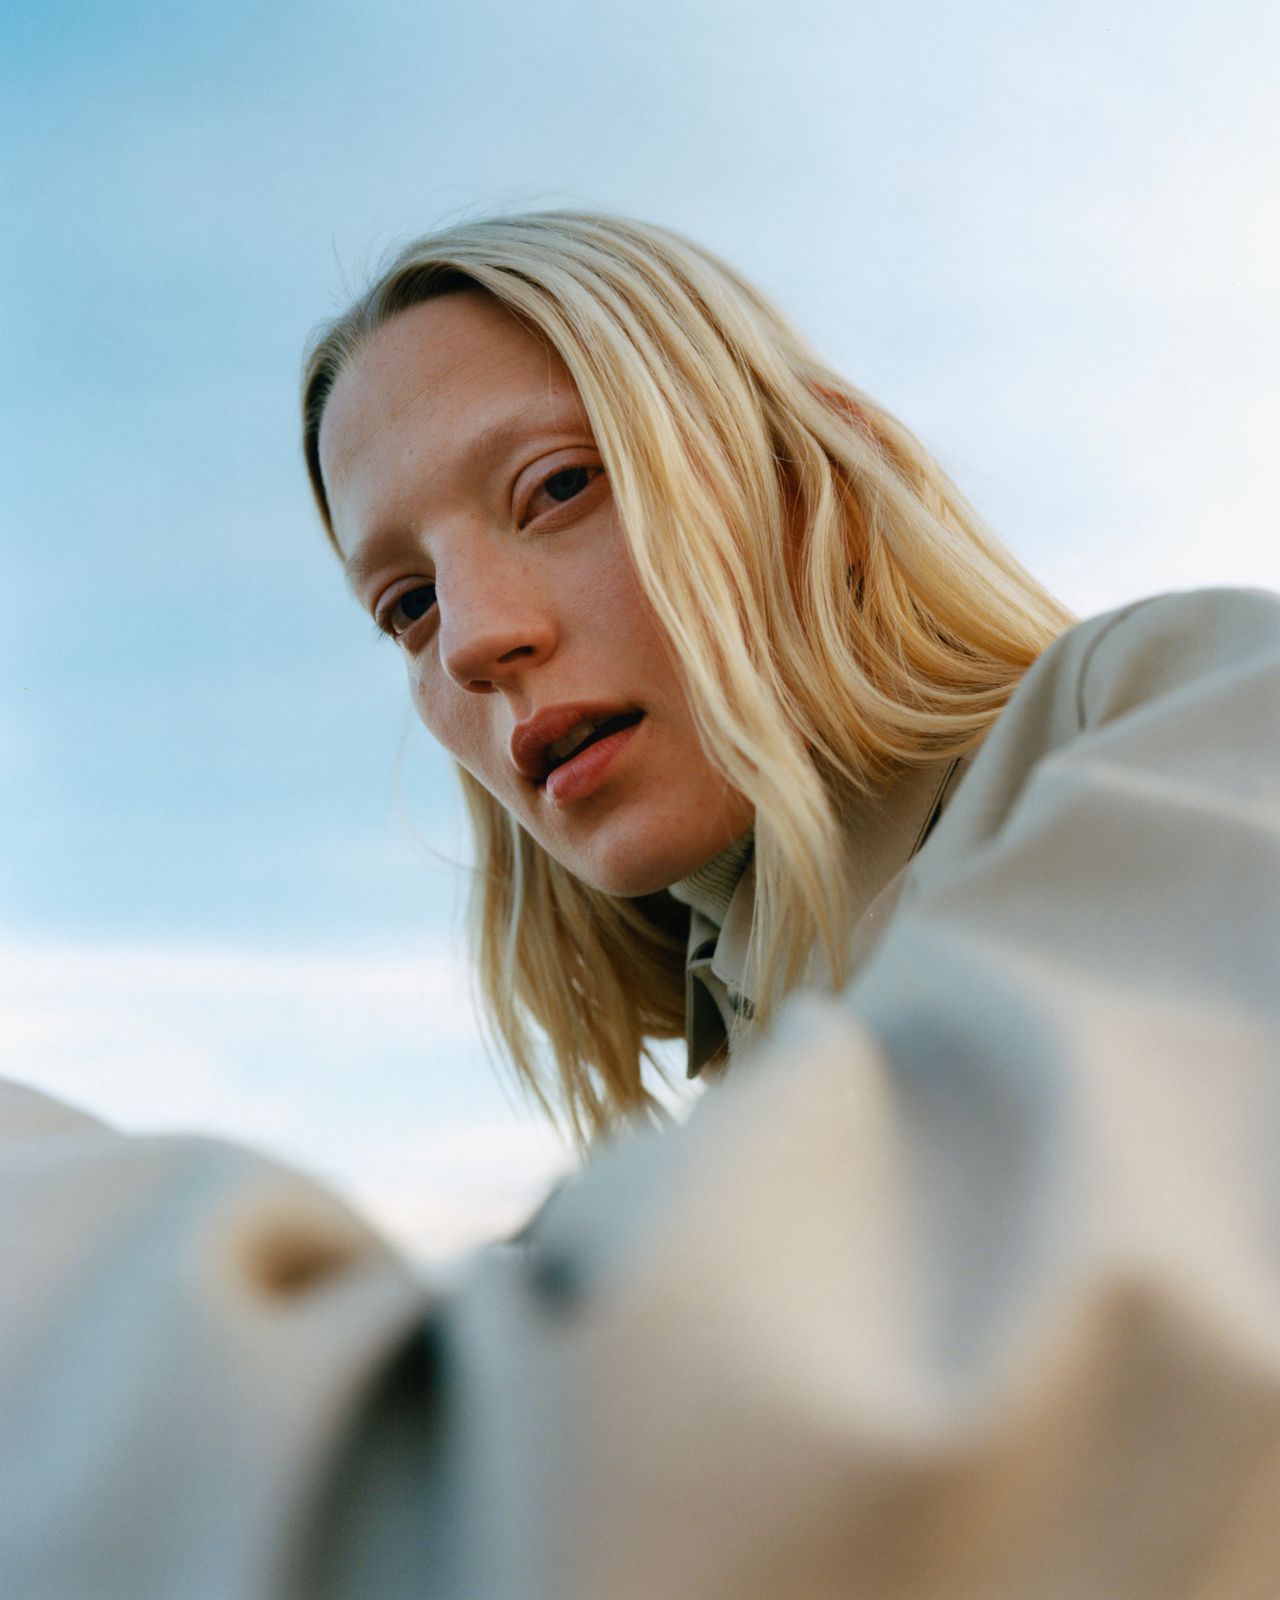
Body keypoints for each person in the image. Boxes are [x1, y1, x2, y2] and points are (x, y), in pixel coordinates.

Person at [2, 211, 1278, 1599]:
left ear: (809, 470)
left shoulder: (1198, 716)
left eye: (556, 487)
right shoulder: (665, 1182)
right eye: (407, 604)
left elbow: (577, 1508)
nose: (479, 638)